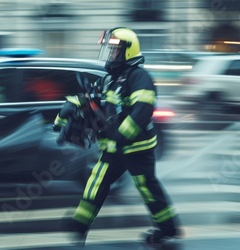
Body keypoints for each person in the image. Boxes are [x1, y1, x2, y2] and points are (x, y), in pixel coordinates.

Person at [58, 27, 182, 247]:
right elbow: (90, 98)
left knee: (147, 187)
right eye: (110, 50)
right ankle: (79, 225)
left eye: (115, 50)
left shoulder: (139, 77)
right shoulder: (110, 79)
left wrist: (122, 136)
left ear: (128, 51)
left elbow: (142, 110)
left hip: (137, 148)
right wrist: (68, 109)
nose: (111, 54)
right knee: (97, 181)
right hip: (115, 148)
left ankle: (167, 228)